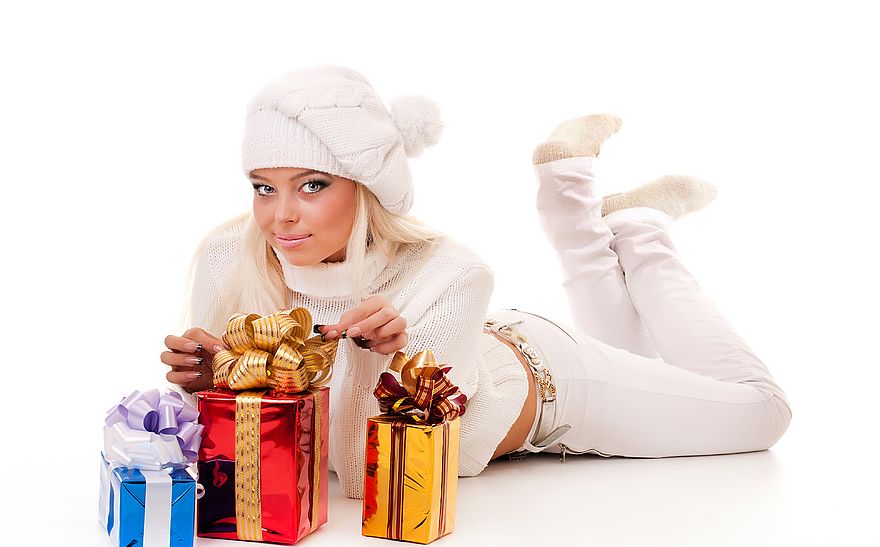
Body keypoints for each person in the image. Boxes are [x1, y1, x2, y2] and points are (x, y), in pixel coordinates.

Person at [161, 64, 793, 500]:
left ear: (368, 187)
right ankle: (580, 204)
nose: (281, 215)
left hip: (550, 388)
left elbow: (447, 457)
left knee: (759, 412)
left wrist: (398, 359)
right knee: (645, 355)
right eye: (264, 187)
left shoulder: (449, 269)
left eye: (313, 185)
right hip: (488, 347)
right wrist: (207, 382)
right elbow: (230, 443)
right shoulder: (229, 255)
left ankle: (644, 230)